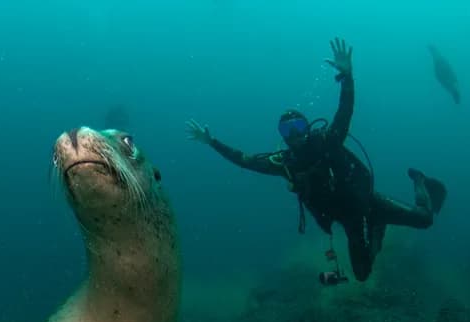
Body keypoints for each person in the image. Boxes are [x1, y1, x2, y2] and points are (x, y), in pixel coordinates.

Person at [186, 38, 447, 282]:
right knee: (362, 274)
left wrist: (347, 76)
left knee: (425, 220)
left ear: (308, 126)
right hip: (347, 217)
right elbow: (246, 160)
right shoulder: (285, 163)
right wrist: (212, 142)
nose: (295, 134)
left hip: (364, 199)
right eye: (287, 131)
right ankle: (378, 227)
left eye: (298, 126)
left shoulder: (328, 141)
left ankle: (419, 180)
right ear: (283, 137)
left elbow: (344, 113)